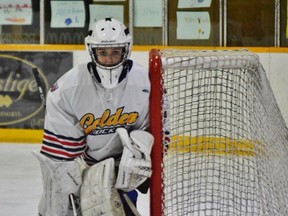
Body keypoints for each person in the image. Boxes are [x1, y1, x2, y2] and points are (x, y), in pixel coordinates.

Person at [33, 18, 154, 216]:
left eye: (115, 52)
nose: (109, 59)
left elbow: (155, 129)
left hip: (126, 170)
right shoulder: (68, 88)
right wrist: (65, 187)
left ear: (126, 50)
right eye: (103, 52)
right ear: (92, 51)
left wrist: (140, 154)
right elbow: (60, 155)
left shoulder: (145, 83)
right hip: (89, 169)